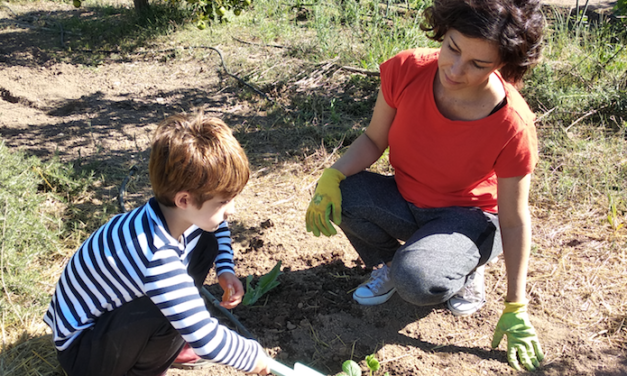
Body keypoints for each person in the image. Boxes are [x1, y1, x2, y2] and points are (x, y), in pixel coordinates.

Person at [305, 0, 545, 371]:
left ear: (503, 65)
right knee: (345, 194)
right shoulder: (406, 69)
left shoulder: (512, 124)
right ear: (443, 32)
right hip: (407, 200)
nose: (455, 68)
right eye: (451, 47)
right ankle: (389, 263)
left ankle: (465, 265)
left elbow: (514, 219)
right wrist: (331, 175)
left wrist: (516, 306)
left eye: (478, 64)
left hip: (470, 218)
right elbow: (373, 140)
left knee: (417, 280)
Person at [44, 112, 271, 375]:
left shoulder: (174, 216)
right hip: (83, 352)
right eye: (222, 202)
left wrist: (225, 269)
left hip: (112, 325)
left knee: (207, 241)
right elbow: (207, 338)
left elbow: (217, 226)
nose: (231, 210)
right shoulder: (155, 255)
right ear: (184, 200)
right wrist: (256, 357)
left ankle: (168, 345)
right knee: (166, 309)